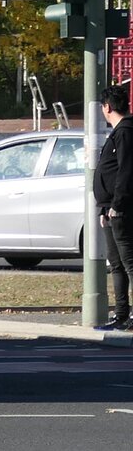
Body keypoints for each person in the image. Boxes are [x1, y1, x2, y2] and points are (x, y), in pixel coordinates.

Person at [95, 83, 133, 331]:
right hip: (110, 209)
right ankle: (121, 315)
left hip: (121, 210)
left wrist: (116, 205)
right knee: (116, 264)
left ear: (107, 107)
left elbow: (126, 171)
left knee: (129, 263)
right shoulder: (117, 133)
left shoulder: (126, 132)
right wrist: (104, 208)